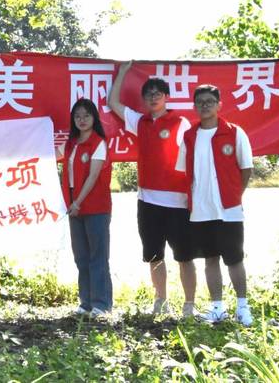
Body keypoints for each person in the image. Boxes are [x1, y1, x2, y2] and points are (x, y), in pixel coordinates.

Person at [108, 62, 197, 317]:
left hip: (178, 200)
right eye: (148, 94)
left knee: (184, 256)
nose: (153, 97)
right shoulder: (141, 122)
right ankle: (160, 301)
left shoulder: (180, 122)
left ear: (166, 96)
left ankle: (189, 304)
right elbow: (113, 103)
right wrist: (122, 72)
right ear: (144, 100)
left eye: (158, 93)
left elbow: (192, 157)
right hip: (148, 200)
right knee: (154, 255)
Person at [176, 84, 254, 326]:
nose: (205, 105)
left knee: (234, 259)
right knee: (210, 259)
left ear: (219, 105)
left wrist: (234, 196)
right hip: (201, 210)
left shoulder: (234, 132)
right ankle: (217, 308)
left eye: (210, 101)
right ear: (194, 106)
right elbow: (184, 171)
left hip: (229, 210)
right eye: (200, 102)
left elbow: (246, 169)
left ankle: (243, 307)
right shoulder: (189, 136)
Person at [62, 98, 113, 317]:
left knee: (97, 256)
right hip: (74, 207)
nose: (82, 120)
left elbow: (93, 176)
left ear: (94, 118)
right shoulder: (71, 143)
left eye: (86, 116)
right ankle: (86, 303)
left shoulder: (98, 142)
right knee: (81, 257)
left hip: (95, 207)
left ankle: (102, 304)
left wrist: (78, 202)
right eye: (77, 116)